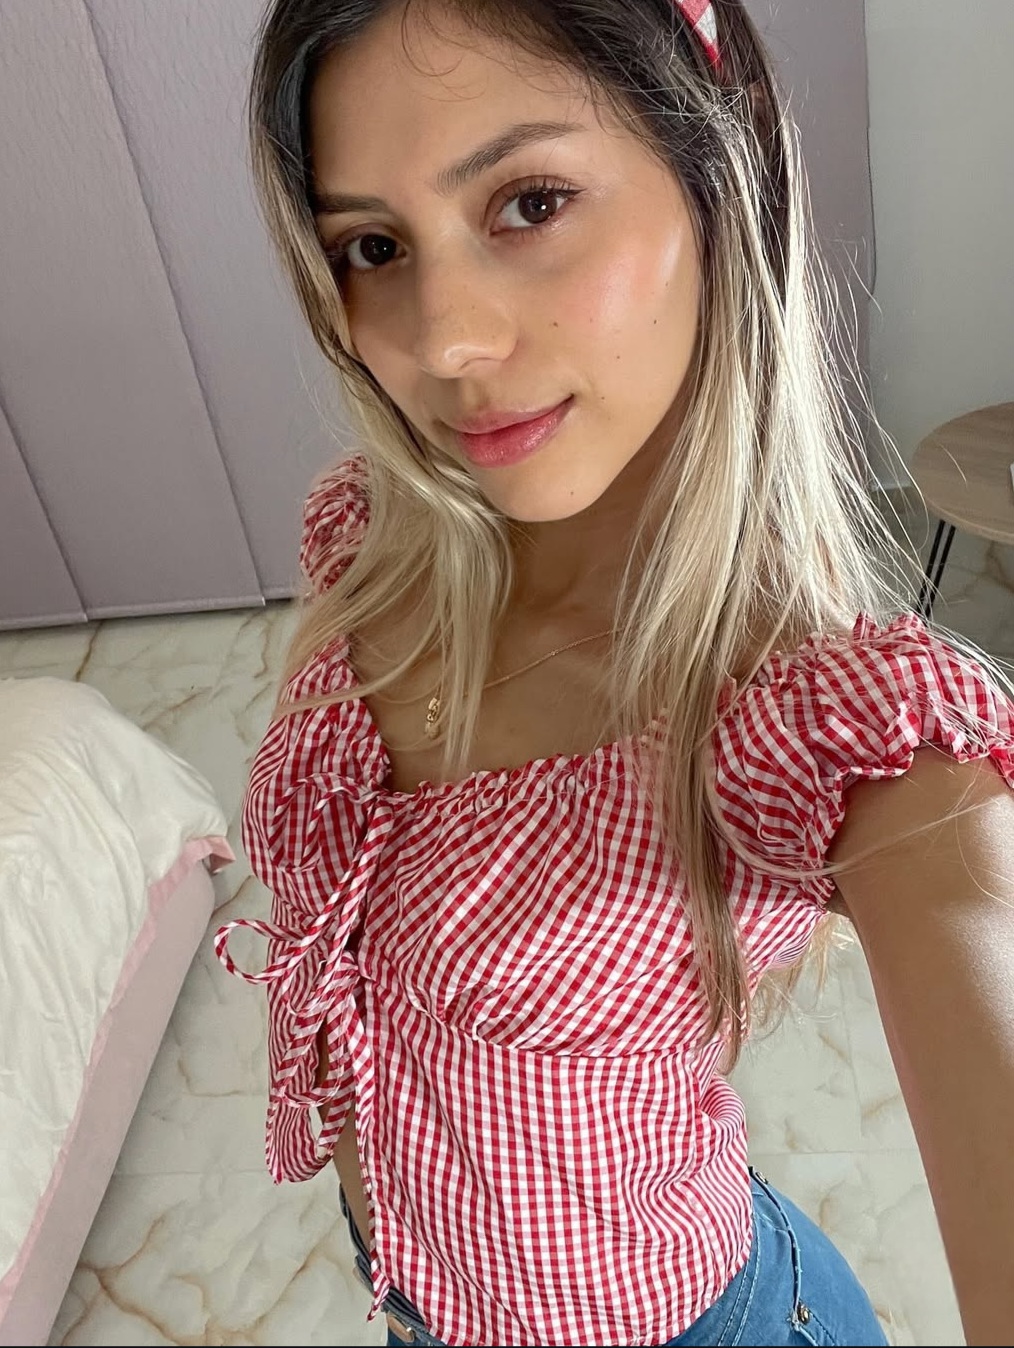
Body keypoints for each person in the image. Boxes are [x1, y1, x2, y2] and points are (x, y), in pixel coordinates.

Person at [215, 1, 1014, 1344]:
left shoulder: (819, 720)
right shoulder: (370, 539)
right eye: (374, 247)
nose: (441, 338)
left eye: (530, 203)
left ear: (719, 178)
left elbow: (964, 903)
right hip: (411, 1289)